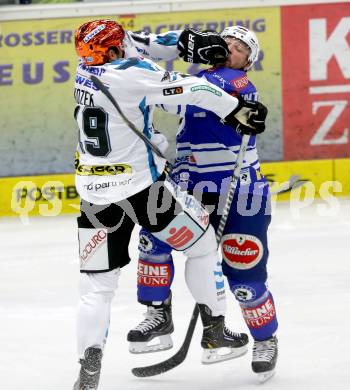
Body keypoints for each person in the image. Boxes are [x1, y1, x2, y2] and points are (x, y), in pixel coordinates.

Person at [72, 20, 267, 390]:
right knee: (204, 246)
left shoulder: (84, 71)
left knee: (96, 288)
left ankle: (89, 364)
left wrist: (184, 43)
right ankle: (215, 330)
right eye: (122, 44)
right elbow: (194, 88)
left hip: (94, 199)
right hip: (143, 193)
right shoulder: (134, 75)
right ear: (114, 51)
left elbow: (138, 44)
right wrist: (237, 111)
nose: (128, 46)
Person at [128, 26, 278, 382]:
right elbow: (164, 97)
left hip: (240, 192)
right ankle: (158, 315)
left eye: (241, 46)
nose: (231, 46)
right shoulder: (196, 79)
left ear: (248, 63)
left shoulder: (239, 84)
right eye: (227, 40)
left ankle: (264, 339)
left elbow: (195, 91)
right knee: (154, 242)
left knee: (244, 275)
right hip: (188, 186)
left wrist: (165, 66)